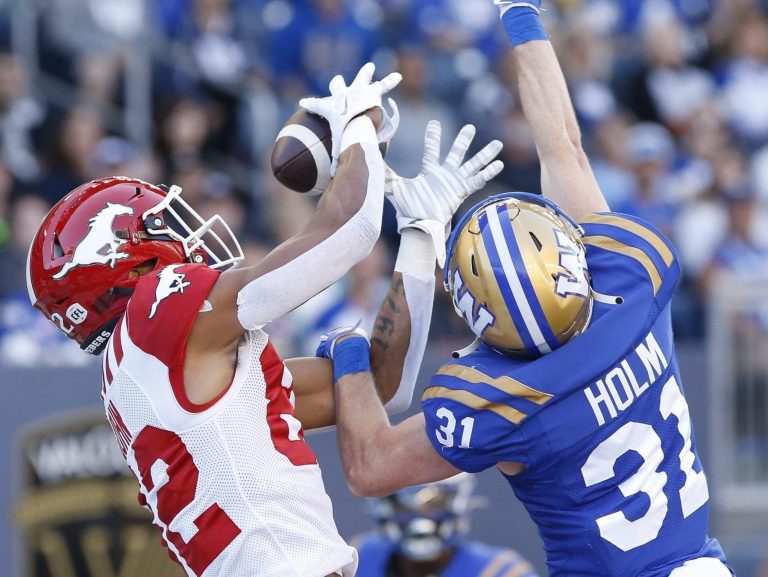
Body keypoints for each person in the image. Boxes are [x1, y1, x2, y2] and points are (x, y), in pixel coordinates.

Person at [25, 61, 504, 577]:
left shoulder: (162, 366)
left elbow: (382, 386)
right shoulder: (156, 318)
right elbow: (348, 232)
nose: (186, 240)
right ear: (123, 261)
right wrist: (357, 126)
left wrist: (420, 233)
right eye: (161, 227)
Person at [318, 4, 735, 577]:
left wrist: (346, 352)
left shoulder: (502, 397)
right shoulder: (632, 275)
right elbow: (564, 145)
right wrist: (521, 14)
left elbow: (370, 465)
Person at [356, 473, 540, 577]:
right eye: (403, 503)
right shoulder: (359, 556)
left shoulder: (502, 572)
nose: (421, 514)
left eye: (434, 502)